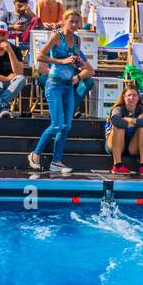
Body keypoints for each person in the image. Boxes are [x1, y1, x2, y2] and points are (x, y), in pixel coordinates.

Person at [28, 10, 90, 174]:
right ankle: (36, 153)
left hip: (68, 85)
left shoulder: (77, 40)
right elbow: (40, 56)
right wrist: (60, 60)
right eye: (72, 21)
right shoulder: (56, 36)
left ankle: (56, 161)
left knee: (66, 126)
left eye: (77, 22)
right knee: (56, 124)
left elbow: (74, 62)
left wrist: (77, 62)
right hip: (54, 84)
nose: (75, 25)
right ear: (63, 21)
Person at [104, 82, 143, 175]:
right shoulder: (118, 109)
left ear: (138, 97)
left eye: (134, 95)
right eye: (129, 95)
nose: (131, 98)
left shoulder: (142, 109)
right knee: (119, 127)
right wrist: (136, 121)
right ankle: (117, 165)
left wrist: (130, 120)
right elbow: (116, 121)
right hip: (114, 145)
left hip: (132, 146)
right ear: (123, 97)